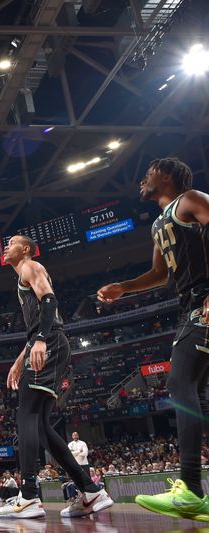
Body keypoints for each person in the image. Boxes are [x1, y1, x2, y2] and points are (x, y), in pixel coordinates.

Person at [97, 157, 209, 520]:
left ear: (165, 176)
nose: (142, 180)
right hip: (188, 308)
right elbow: (160, 274)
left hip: (202, 304)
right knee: (193, 392)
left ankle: (191, 490)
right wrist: (124, 288)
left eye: (147, 174)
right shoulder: (160, 222)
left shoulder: (190, 199)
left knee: (181, 385)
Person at [0, 235, 113, 519]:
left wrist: (40, 340)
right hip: (47, 343)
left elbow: (49, 300)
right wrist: (19, 360)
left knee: (25, 416)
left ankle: (27, 495)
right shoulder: (23, 274)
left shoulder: (30, 266)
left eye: (11, 242)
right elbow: (39, 318)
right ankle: (90, 491)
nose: (6, 246)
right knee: (41, 427)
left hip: (49, 342)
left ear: (24, 249)